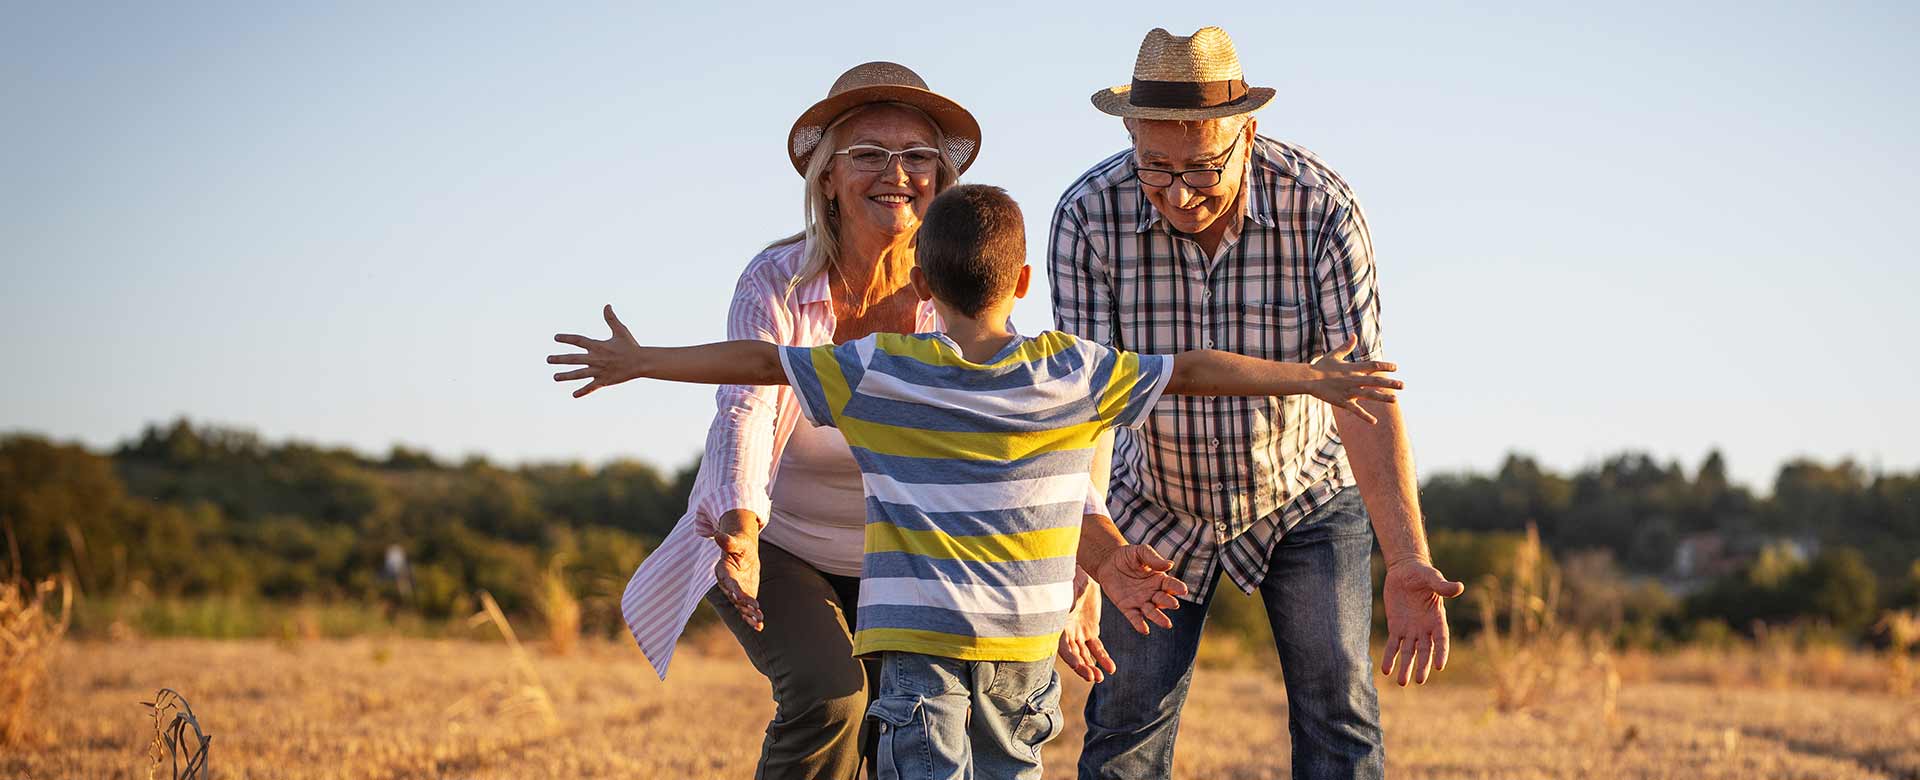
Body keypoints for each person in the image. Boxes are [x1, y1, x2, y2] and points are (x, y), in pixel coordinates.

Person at [549, 183, 1406, 779]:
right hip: (1024, 651)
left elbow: (759, 363)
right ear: (1024, 282)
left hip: (918, 648)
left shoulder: (881, 372)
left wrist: (643, 360)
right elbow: (1193, 371)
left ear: (923, 283)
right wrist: (1306, 377)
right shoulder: (1071, 370)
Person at [1048, 27, 1467, 779]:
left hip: (1302, 493)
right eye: (1156, 167)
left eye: (1204, 167)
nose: (1178, 193)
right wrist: (1088, 562)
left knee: (1338, 711)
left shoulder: (1323, 209)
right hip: (1154, 502)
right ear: (1130, 134)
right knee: (1123, 730)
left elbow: (1361, 396)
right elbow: (1086, 407)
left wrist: (1406, 558)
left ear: (1248, 134)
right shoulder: (1086, 216)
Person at [579, 62, 983, 780]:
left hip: (904, 558)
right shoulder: (777, 282)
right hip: (779, 542)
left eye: (917, 155)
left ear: (940, 180)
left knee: (918, 724)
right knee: (830, 699)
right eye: (868, 154)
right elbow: (746, 403)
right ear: (828, 178)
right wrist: (739, 526)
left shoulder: (955, 296)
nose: (897, 173)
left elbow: (1013, 419)